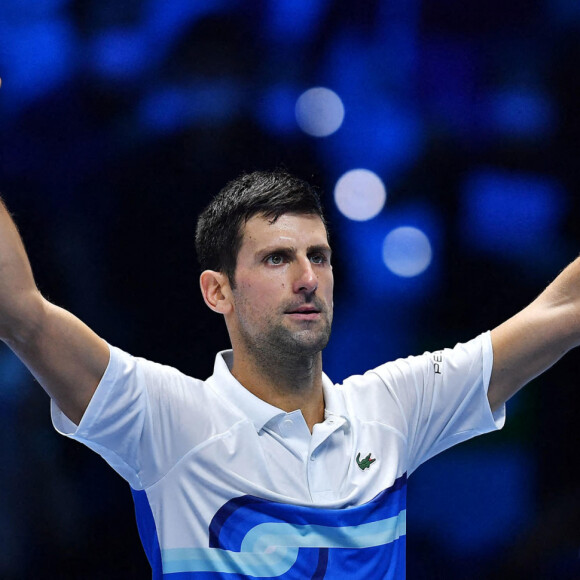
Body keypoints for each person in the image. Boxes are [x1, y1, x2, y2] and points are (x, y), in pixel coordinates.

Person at [0, 169, 578, 579]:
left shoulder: (392, 407)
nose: (307, 279)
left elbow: (559, 311)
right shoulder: (166, 417)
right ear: (217, 290)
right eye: (277, 258)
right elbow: (22, 313)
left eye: (319, 256)